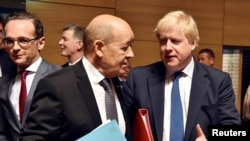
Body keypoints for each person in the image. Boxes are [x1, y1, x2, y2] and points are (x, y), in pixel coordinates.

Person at [123, 10, 241, 141]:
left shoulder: (218, 81)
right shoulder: (138, 78)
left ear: (193, 43)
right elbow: (123, 126)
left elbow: (233, 129)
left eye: (175, 41)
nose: (167, 47)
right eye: (163, 41)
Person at [19, 14, 135, 141]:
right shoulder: (57, 86)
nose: (131, 54)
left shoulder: (116, 81)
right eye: (125, 47)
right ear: (99, 48)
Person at [0, 11, 61, 141]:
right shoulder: (3, 83)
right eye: (9, 41)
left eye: (23, 40)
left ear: (41, 43)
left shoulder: (60, 77)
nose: (15, 48)